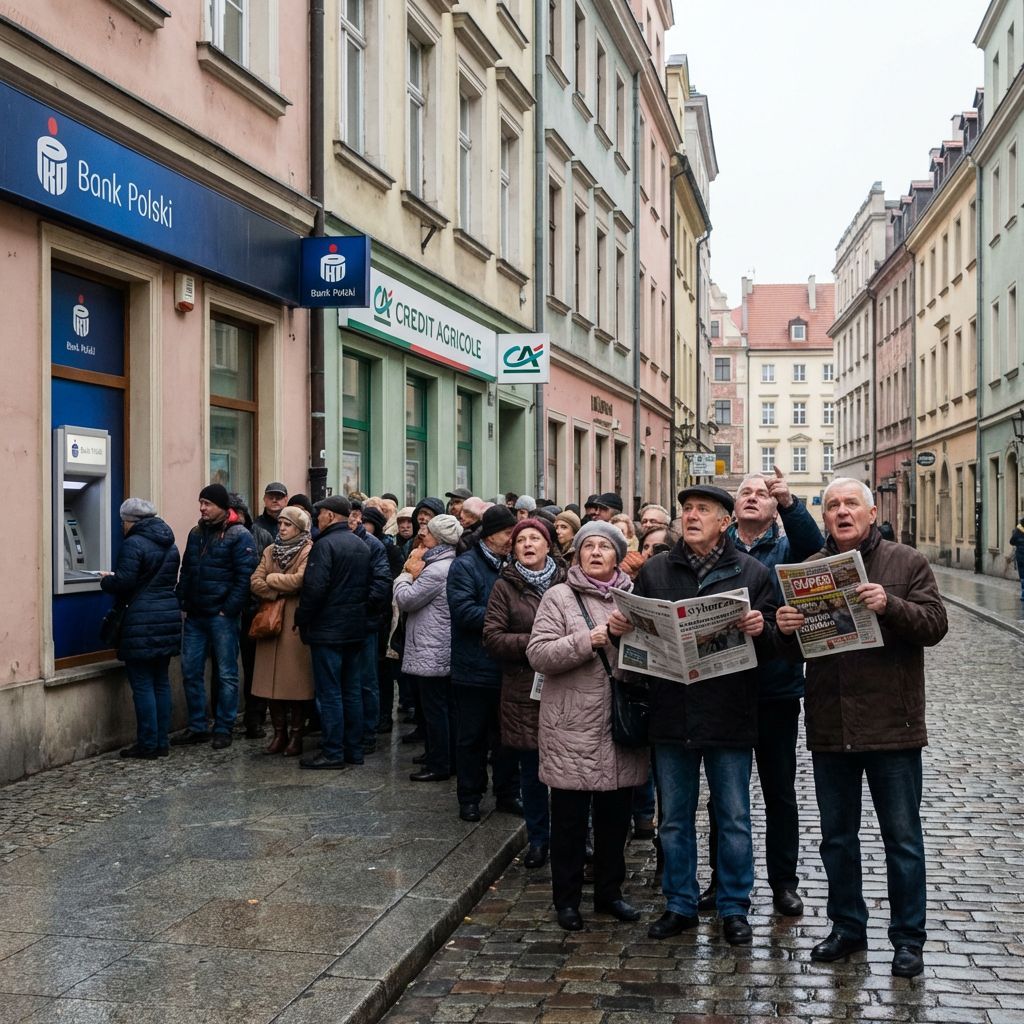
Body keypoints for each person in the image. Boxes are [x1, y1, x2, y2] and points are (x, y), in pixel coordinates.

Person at [775, 478, 948, 979]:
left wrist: (889, 605)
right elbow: (793, 655)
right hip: (831, 724)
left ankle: (908, 939)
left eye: (852, 504)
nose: (842, 512)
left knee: (902, 839)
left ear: (872, 514)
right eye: (833, 506)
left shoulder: (906, 562)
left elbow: (935, 625)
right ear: (823, 517)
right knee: (837, 839)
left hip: (893, 724)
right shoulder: (807, 570)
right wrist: (786, 630)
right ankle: (847, 927)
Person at [609, 485, 777, 947]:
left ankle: (733, 906)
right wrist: (624, 629)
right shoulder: (658, 570)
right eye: (686, 510)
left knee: (734, 816)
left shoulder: (753, 571)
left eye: (703, 509)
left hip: (729, 712)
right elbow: (634, 648)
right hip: (671, 712)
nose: (692, 516)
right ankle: (679, 903)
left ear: (725, 521)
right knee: (674, 819)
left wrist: (761, 629)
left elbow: (780, 646)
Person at [693, 469, 824, 917]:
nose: (752, 498)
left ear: (772, 509)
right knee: (725, 797)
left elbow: (814, 550)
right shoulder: (718, 549)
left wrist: (791, 503)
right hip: (725, 688)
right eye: (744, 492)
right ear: (731, 511)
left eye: (761, 494)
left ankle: (783, 882)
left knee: (779, 792)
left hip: (775, 688)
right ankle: (720, 880)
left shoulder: (787, 547)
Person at [526, 521, 649, 932]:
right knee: (569, 822)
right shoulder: (558, 596)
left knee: (616, 821)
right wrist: (589, 640)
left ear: (618, 555)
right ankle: (567, 899)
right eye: (588, 547)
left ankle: (610, 894)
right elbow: (539, 654)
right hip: (571, 727)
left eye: (605, 547)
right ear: (576, 555)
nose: (596, 553)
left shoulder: (634, 597)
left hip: (619, 725)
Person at [483, 518, 567, 868]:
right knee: (532, 772)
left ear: (549, 546)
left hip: (565, 684)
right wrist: (538, 643)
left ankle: (572, 838)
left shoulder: (566, 581)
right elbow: (492, 637)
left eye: (536, 539)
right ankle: (538, 839)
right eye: (521, 540)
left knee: (567, 771)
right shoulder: (505, 586)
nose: (528, 545)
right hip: (522, 689)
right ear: (513, 548)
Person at [447, 504, 520, 821]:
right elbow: (462, 611)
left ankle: (507, 794)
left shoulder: (514, 565)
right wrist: (505, 620)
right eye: (508, 533)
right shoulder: (465, 567)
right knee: (472, 738)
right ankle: (470, 797)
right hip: (474, 668)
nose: (513, 540)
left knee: (507, 738)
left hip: (507, 667)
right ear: (490, 536)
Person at [294, 494, 378, 769]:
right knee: (351, 690)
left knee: (330, 692)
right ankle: (353, 749)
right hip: (354, 629)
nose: (317, 519)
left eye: (320, 514)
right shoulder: (361, 546)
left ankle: (332, 751)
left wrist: (302, 618)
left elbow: (314, 589)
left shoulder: (324, 545)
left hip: (328, 630)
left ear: (330, 516)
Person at [174, 483, 258, 749]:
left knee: (226, 672)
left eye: (207, 504)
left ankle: (224, 726)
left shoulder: (239, 535)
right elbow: (186, 569)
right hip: (196, 614)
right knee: (190, 670)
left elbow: (245, 577)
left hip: (222, 615)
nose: (202, 508)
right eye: (201, 503)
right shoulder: (196, 533)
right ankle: (198, 726)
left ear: (223, 508)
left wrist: (229, 608)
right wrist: (183, 600)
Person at [100, 498, 181, 759]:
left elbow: (125, 582)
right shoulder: (170, 543)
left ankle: (147, 744)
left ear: (130, 521)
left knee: (143, 684)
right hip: (167, 616)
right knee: (160, 682)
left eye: (123, 521)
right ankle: (161, 743)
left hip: (141, 621)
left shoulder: (133, 543)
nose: (122, 526)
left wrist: (106, 581)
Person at [394, 513, 464, 782]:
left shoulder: (436, 569)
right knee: (443, 707)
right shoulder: (443, 564)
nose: (422, 535)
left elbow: (406, 599)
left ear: (439, 539)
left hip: (431, 649)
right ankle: (443, 757)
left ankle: (440, 762)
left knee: (436, 709)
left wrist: (405, 575)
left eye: (428, 532)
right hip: (437, 646)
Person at [249, 506, 314, 756]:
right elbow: (255, 581)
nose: (282, 528)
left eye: (288, 525)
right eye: (281, 524)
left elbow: (300, 580)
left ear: (298, 528)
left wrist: (272, 580)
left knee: (295, 685)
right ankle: (279, 733)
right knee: (270, 685)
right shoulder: (270, 550)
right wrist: (277, 589)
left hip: (294, 625)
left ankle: (296, 735)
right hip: (269, 623)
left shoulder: (308, 549)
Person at [252, 482, 288, 552]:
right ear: (264, 499)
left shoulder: (292, 524)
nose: (274, 500)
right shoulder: (256, 526)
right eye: (271, 497)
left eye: (279, 497)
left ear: (286, 500)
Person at [1010, 515, 1024, 601]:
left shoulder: (1017, 531)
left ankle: (1023, 594)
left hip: (1020, 555)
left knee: (1022, 574)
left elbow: (1011, 541)